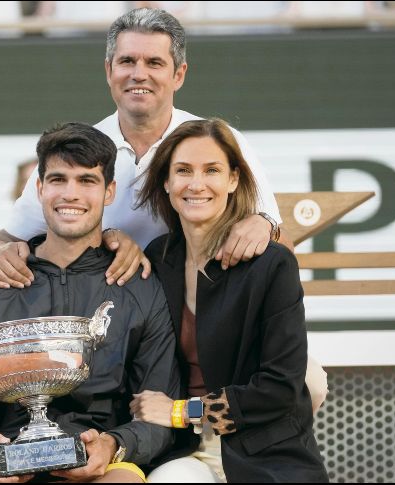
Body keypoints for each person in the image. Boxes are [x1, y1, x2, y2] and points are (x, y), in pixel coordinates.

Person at [0, 7, 328, 412]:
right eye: (127, 61)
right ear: (109, 70)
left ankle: (241, 444)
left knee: (308, 383)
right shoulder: (84, 150)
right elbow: (6, 238)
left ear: (179, 74)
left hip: (214, 319)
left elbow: (278, 244)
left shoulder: (215, 140)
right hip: (123, 330)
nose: (138, 74)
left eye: (154, 63)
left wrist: (264, 223)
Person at [0, 122, 179, 483]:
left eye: (87, 180)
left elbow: (158, 407)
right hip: (7, 460)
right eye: (58, 179)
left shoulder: (140, 288)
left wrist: (114, 445)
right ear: (39, 189)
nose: (71, 194)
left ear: (109, 191)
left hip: (104, 464)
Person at [130, 118, 329, 482]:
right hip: (185, 447)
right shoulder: (159, 257)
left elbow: (280, 387)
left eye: (212, 170)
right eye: (183, 170)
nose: (196, 184)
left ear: (233, 180)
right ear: (167, 182)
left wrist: (182, 411)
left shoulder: (271, 263)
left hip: (261, 446)